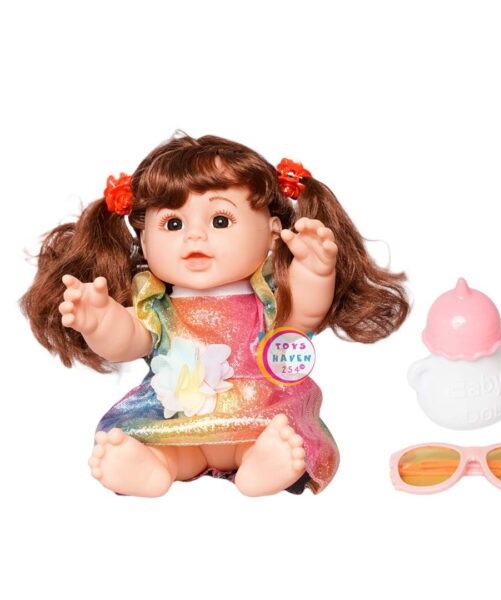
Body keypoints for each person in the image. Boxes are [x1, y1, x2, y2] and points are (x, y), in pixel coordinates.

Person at [20, 133, 410, 497]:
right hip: (176, 420)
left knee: (272, 434)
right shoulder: (155, 300)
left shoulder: (265, 295)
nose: (194, 236)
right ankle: (155, 466)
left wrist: (315, 272)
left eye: (220, 221)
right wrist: (101, 321)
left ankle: (259, 462)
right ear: (145, 242)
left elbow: (301, 319)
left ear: (273, 232)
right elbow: (131, 341)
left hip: (258, 412)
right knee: (167, 444)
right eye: (173, 224)